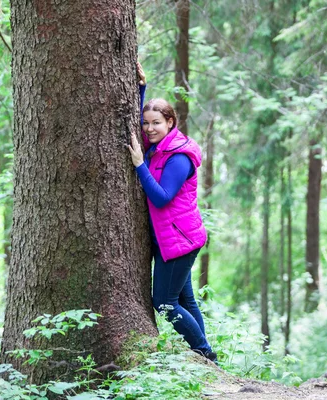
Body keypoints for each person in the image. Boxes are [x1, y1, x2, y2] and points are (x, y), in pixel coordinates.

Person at [127, 62, 217, 363]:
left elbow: (163, 197)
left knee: (164, 303)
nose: (149, 129)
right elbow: (135, 125)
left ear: (170, 122)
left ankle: (204, 353)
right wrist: (141, 89)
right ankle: (205, 359)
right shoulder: (159, 147)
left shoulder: (178, 156)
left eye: (156, 123)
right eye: (146, 123)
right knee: (185, 299)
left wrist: (140, 165)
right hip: (173, 237)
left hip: (179, 241)